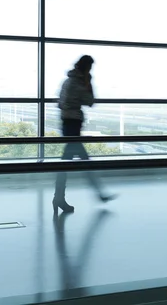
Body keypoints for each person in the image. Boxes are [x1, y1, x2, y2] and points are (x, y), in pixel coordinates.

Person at [53, 55, 116, 214]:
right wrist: (89, 83)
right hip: (73, 125)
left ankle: (60, 197)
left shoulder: (67, 81)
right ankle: (98, 194)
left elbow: (61, 102)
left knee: (68, 163)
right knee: (82, 162)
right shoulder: (79, 83)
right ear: (87, 68)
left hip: (67, 124)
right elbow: (90, 101)